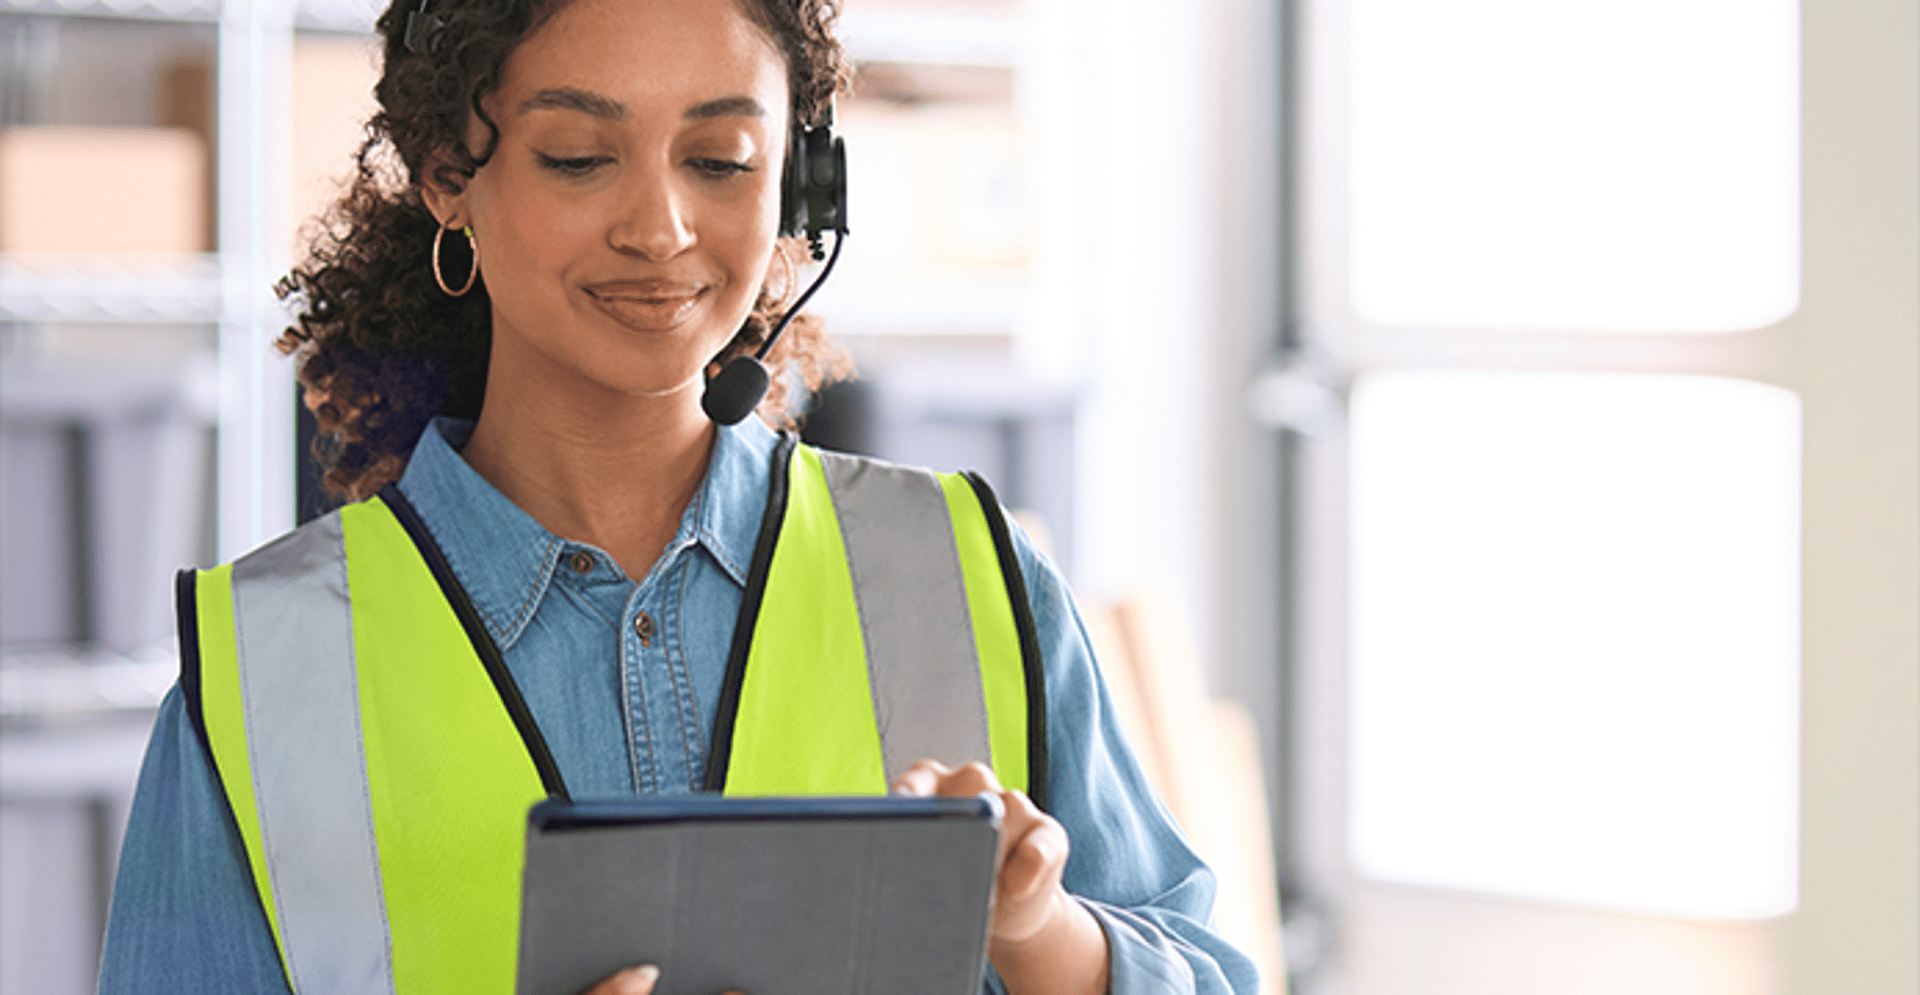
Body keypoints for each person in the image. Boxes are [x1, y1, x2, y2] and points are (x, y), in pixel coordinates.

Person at [99, 0, 1260, 993]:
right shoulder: (261, 673)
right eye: (576, 156)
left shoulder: (969, 573)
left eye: (719, 160)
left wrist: (1036, 928)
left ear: (799, 183)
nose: (659, 229)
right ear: (452, 176)